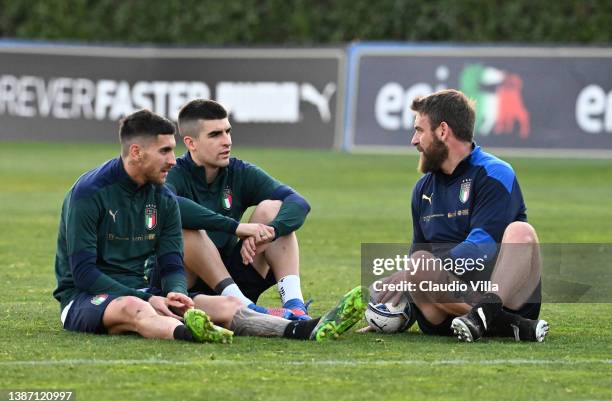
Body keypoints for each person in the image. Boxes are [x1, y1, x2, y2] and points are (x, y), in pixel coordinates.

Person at [53, 109, 365, 343]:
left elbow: (172, 261)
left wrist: (176, 292)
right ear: (136, 152)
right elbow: (84, 274)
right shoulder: (89, 194)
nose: (173, 160)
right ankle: (190, 334)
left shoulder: (161, 195)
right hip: (85, 297)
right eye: (164, 151)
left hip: (149, 290)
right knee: (135, 309)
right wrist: (153, 298)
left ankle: (301, 327)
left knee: (225, 306)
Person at [363, 89, 548, 342]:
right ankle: (509, 325)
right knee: (418, 261)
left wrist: (415, 270)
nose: (413, 141)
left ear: (442, 131)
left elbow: (483, 246)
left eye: (419, 130)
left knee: (521, 233)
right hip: (444, 311)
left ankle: (487, 315)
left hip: (505, 296)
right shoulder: (422, 189)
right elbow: (418, 260)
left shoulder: (494, 173)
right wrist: (391, 309)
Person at [163, 99, 311, 320]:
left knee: (272, 208)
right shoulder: (171, 173)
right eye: (215, 135)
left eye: (228, 131)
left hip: (235, 277)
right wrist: (237, 228)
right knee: (187, 229)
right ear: (191, 143)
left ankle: (295, 306)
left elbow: (298, 202)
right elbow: (168, 205)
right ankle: (247, 309)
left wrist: (271, 231)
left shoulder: (239, 171)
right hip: (186, 288)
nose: (227, 141)